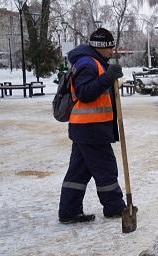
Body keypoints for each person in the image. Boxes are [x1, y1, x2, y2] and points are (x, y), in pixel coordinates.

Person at [58, 28, 126, 223]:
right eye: (110, 47)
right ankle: (115, 208)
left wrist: (109, 76)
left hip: (86, 127)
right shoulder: (88, 63)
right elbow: (85, 93)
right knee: (106, 168)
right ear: (101, 47)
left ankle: (69, 211)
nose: (112, 51)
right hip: (91, 128)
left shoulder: (93, 62)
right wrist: (108, 77)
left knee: (78, 172)